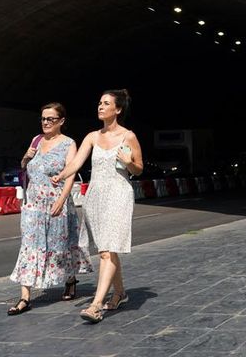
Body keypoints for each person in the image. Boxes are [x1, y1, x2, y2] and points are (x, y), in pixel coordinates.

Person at [54, 89, 143, 323]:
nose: (100, 107)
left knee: (106, 251)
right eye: (99, 103)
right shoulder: (92, 136)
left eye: (106, 103)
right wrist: (61, 175)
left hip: (118, 194)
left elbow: (138, 168)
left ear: (118, 109)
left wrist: (128, 162)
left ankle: (96, 305)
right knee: (107, 249)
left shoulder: (129, 137)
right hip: (95, 196)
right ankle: (120, 293)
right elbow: (76, 163)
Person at [6, 102, 92, 315]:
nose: (46, 123)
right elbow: (26, 165)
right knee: (28, 246)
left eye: (50, 119)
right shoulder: (36, 140)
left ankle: (70, 280)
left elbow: (71, 173)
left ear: (61, 121)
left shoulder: (68, 144)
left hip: (57, 202)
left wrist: (62, 200)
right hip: (33, 205)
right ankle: (25, 297)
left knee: (61, 246)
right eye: (43, 119)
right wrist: (27, 156)